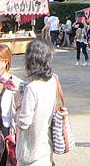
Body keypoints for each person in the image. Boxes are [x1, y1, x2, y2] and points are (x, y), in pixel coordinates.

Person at [16, 38, 57, 166]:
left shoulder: (32, 88)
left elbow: (23, 123)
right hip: (45, 148)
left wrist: (18, 105)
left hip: (31, 153)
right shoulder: (53, 80)